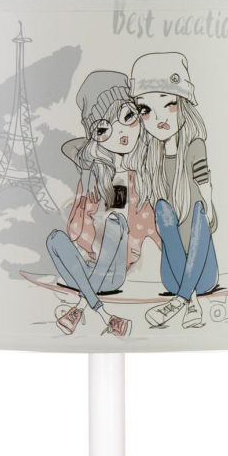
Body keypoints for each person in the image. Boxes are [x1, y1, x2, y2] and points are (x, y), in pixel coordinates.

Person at [47, 71, 160, 337]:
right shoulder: (95, 179)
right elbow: (75, 229)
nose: (120, 132)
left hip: (114, 271)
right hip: (86, 267)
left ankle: (80, 308)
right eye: (104, 129)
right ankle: (106, 316)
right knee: (54, 239)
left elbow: (149, 229)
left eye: (128, 116)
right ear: (96, 138)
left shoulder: (140, 179)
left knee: (116, 222)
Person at [130, 52, 218, 329]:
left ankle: (182, 300)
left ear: (183, 105)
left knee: (200, 208)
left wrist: (209, 207)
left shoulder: (194, 147)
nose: (157, 118)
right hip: (172, 274)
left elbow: (204, 186)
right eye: (145, 110)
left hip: (202, 273)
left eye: (168, 104)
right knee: (162, 208)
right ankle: (188, 302)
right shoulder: (151, 157)